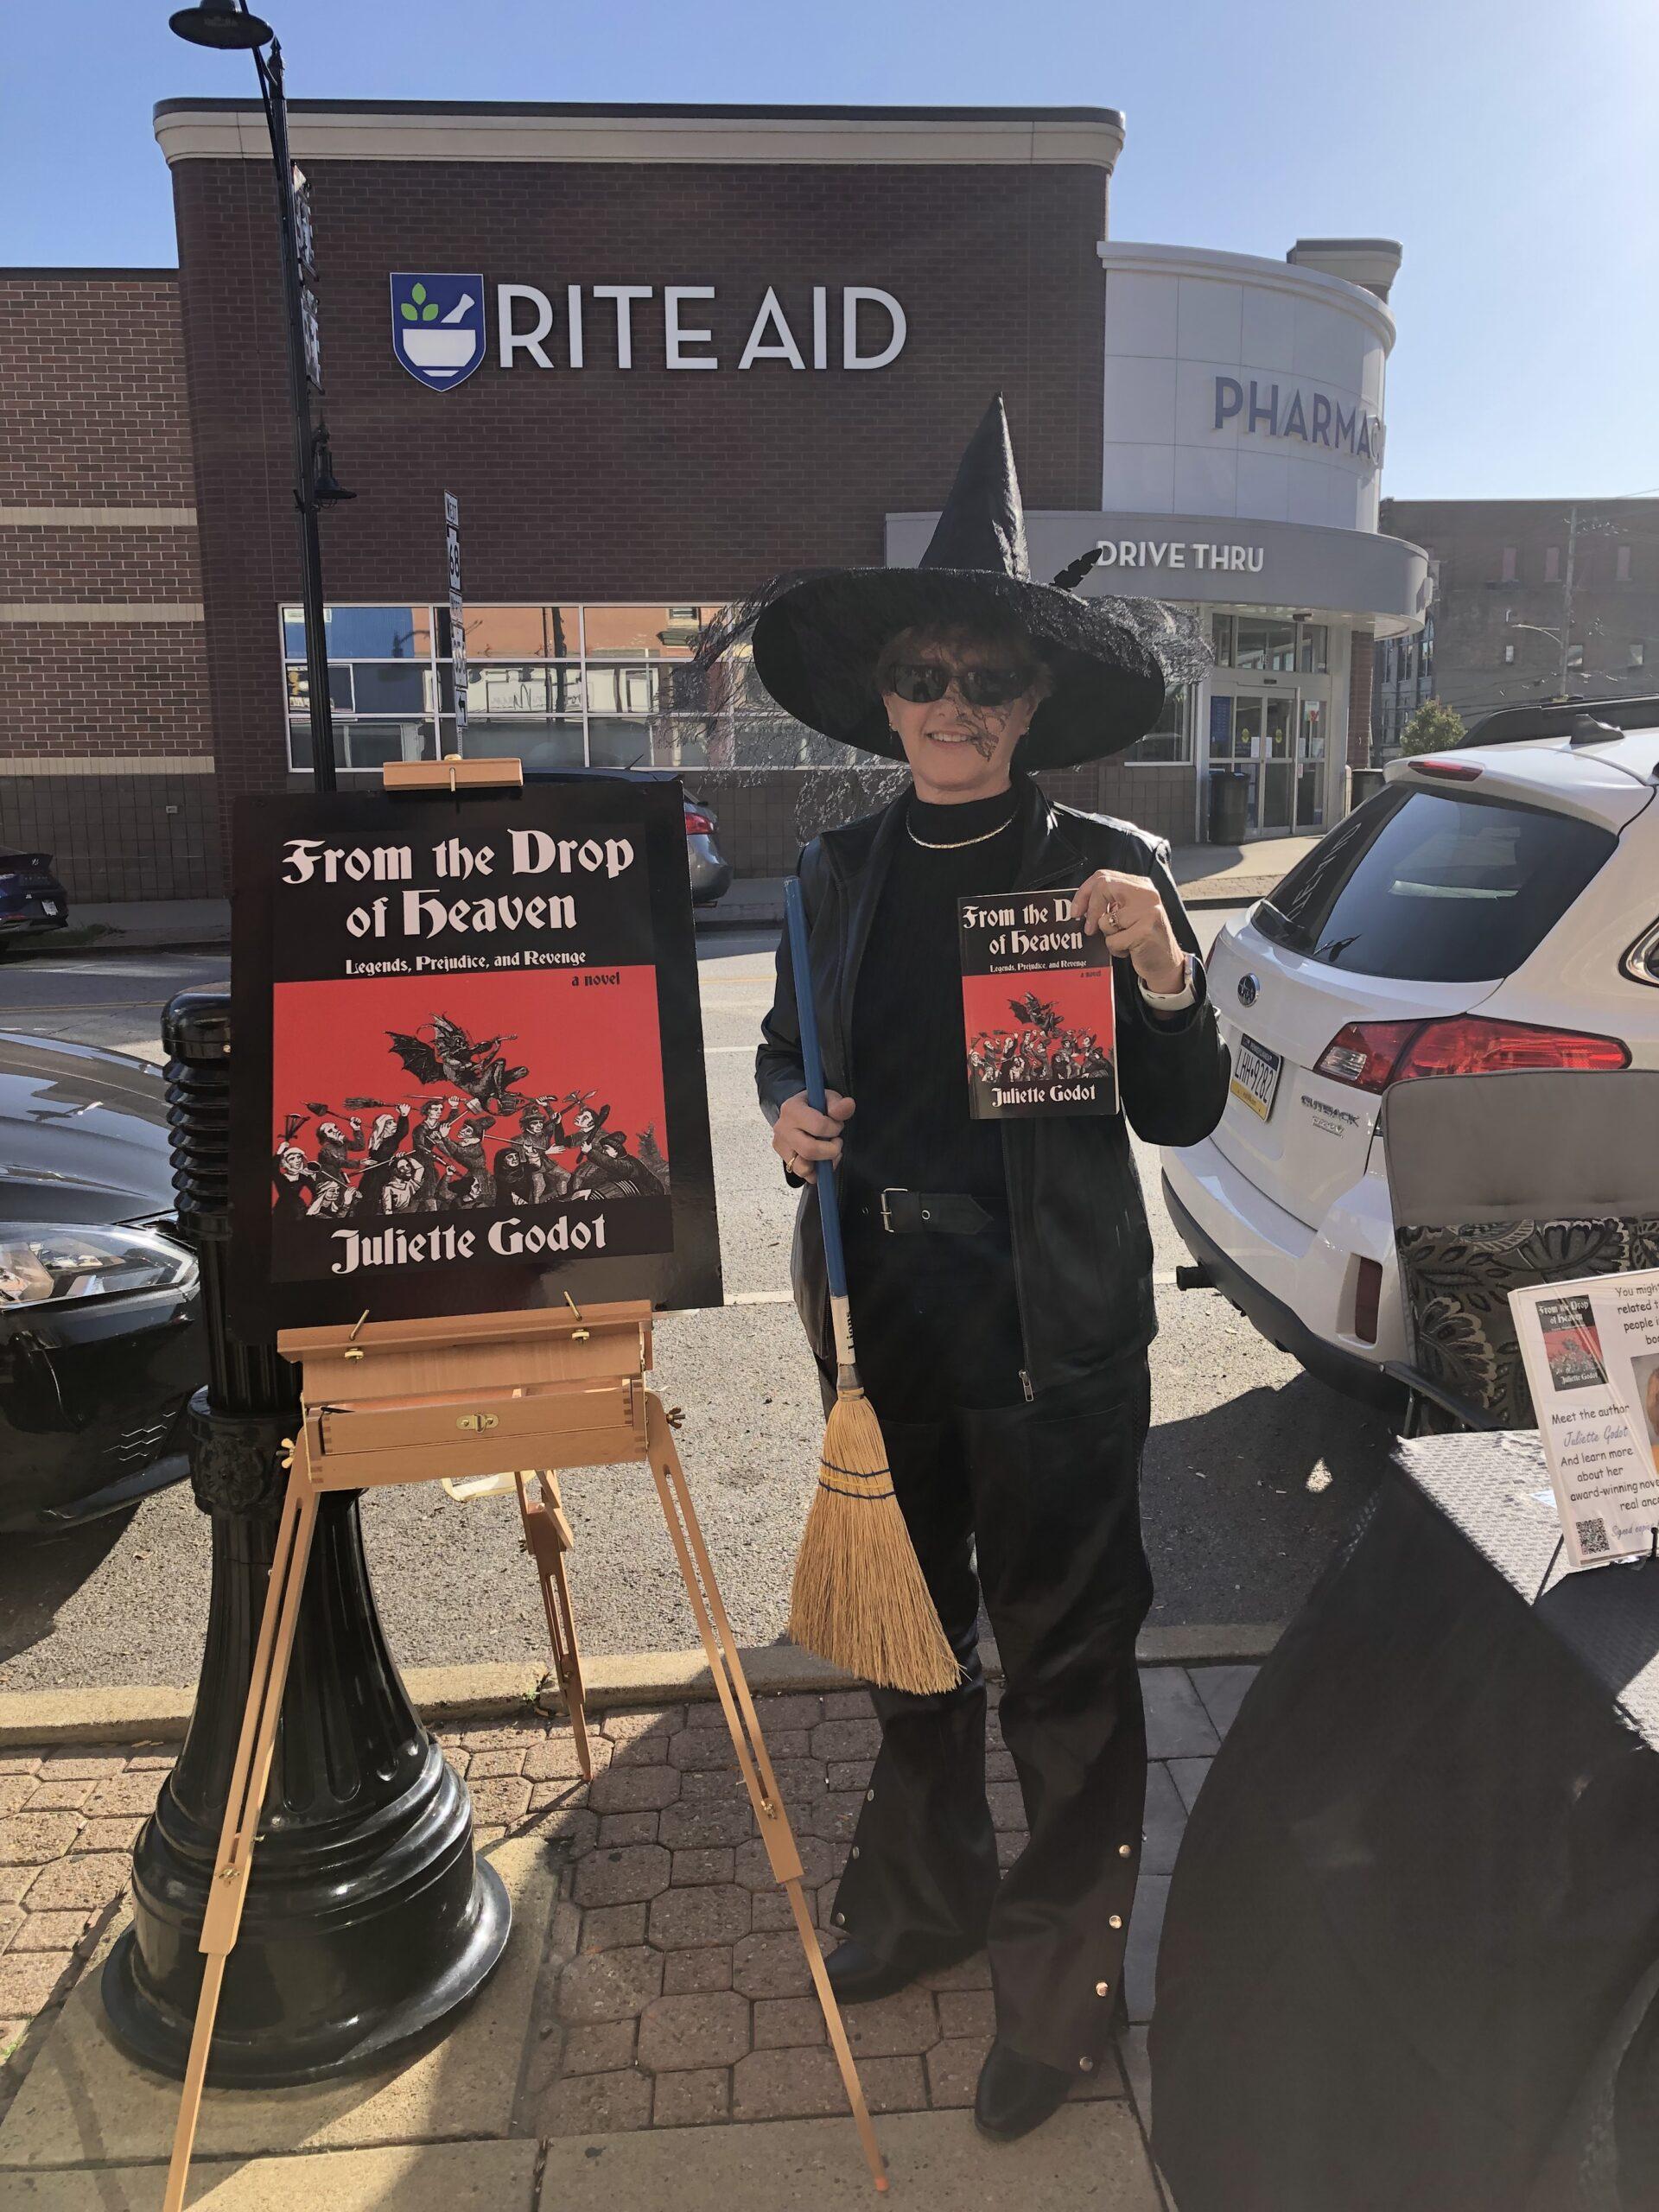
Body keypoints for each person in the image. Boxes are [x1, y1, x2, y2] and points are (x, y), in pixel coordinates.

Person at [741, 398, 1230, 2142]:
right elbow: (788, 1047)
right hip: (889, 1336)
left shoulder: (1109, 872)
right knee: (914, 1646)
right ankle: (931, 1893)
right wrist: (791, 1106)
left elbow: (1180, 1112)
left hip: (1057, 1335)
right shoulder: (840, 869)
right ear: (887, 693)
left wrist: (1166, 973)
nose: (954, 708)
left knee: (1072, 1676)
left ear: (1033, 707)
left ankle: (1062, 1990)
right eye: (927, 676)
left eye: (989, 683)